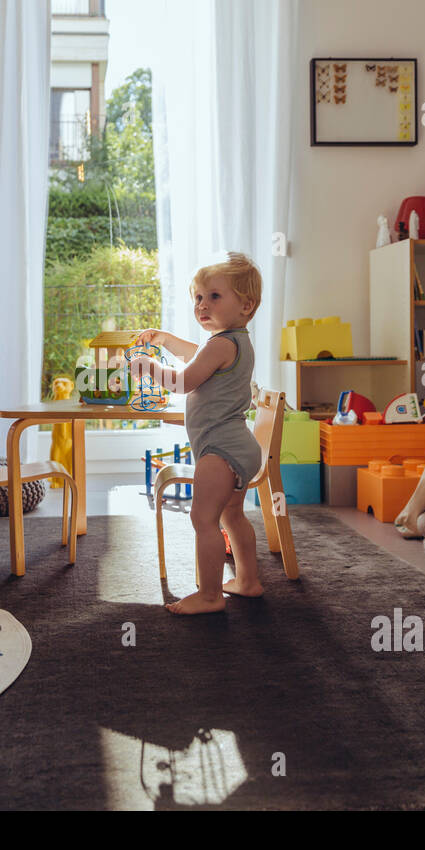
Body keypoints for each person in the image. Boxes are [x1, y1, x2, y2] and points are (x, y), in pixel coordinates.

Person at [131, 253, 264, 614]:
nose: (202, 305)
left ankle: (209, 595)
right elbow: (197, 356)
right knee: (232, 516)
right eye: (198, 298)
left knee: (202, 519)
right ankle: (247, 580)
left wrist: (149, 366)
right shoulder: (232, 341)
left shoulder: (221, 344)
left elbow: (184, 379)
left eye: (214, 297)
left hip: (220, 450)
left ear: (246, 304)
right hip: (239, 447)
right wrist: (167, 340)